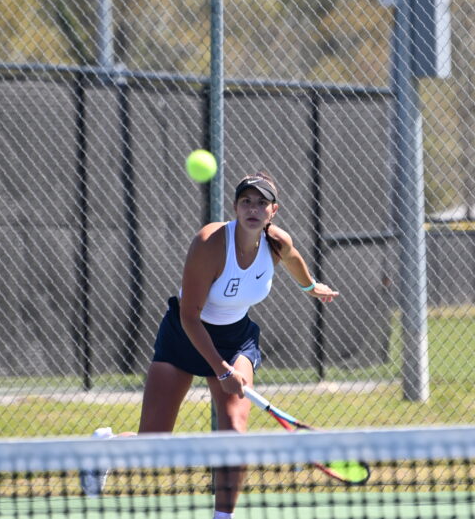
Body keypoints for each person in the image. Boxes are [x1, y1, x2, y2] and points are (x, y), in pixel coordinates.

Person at [136, 171, 339, 518]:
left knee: (235, 428)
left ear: (273, 211)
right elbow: (189, 315)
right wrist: (219, 368)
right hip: (185, 335)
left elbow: (293, 260)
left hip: (236, 340)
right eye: (246, 201)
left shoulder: (277, 243)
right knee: (150, 446)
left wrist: (310, 286)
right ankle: (105, 448)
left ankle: (223, 516)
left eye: (262, 203)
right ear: (235, 206)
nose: (253, 209)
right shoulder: (210, 242)